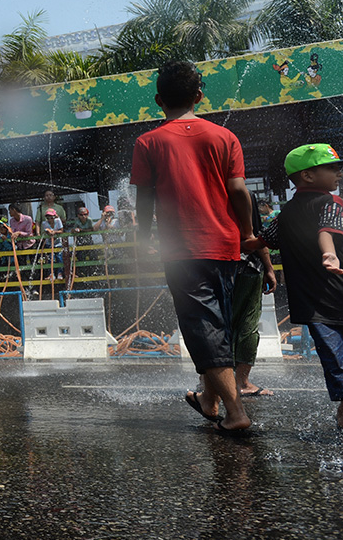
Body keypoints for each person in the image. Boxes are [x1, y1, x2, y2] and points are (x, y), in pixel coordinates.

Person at [131, 60, 256, 434]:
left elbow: (145, 200)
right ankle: (209, 400)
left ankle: (235, 413)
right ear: (199, 96)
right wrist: (247, 233)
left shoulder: (148, 142)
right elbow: (238, 191)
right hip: (226, 245)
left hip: (182, 249)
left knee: (204, 327)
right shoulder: (223, 137)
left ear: (158, 100)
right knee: (217, 324)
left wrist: (143, 237)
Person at [250, 144, 343, 427]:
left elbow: (259, 241)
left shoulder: (286, 213)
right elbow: (325, 230)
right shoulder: (331, 203)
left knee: (334, 358)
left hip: (312, 303)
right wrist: (329, 253)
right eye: (331, 168)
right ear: (308, 176)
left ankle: (342, 412)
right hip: (337, 294)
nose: (338, 173)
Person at [231, 192, 277, 398]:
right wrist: (269, 268)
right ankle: (242, 382)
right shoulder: (242, 194)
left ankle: (210, 381)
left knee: (216, 324)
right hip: (245, 268)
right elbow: (257, 237)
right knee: (247, 325)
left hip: (208, 267)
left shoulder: (200, 192)